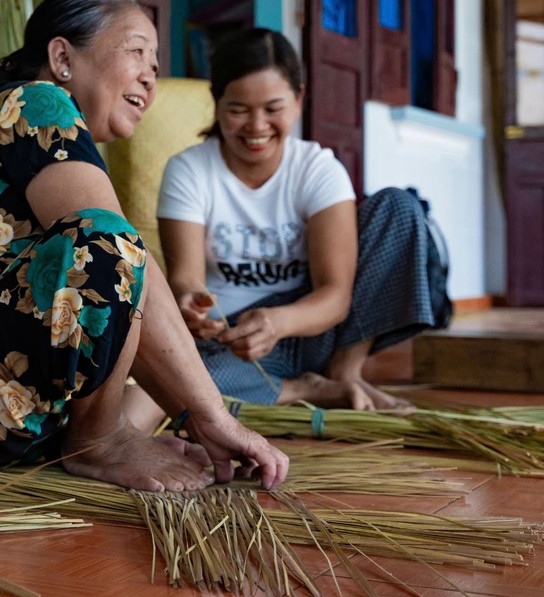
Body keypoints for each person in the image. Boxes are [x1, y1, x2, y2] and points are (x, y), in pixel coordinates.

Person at [0, 0, 288, 493]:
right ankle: (99, 438)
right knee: (109, 244)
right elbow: (115, 258)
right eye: (137, 51)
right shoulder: (37, 101)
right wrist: (214, 416)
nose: (149, 77)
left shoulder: (41, 131)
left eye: (156, 65)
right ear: (62, 57)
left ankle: (103, 432)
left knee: (120, 252)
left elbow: (126, 294)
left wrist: (194, 418)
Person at [157, 27, 445, 410]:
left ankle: (345, 373)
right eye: (239, 110)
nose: (257, 126)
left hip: (316, 328)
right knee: (179, 381)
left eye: (273, 109)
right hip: (235, 342)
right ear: (217, 101)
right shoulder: (189, 170)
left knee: (398, 206)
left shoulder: (317, 170)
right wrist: (191, 303)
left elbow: (336, 295)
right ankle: (303, 390)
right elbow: (185, 278)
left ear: (298, 99)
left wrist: (279, 322)